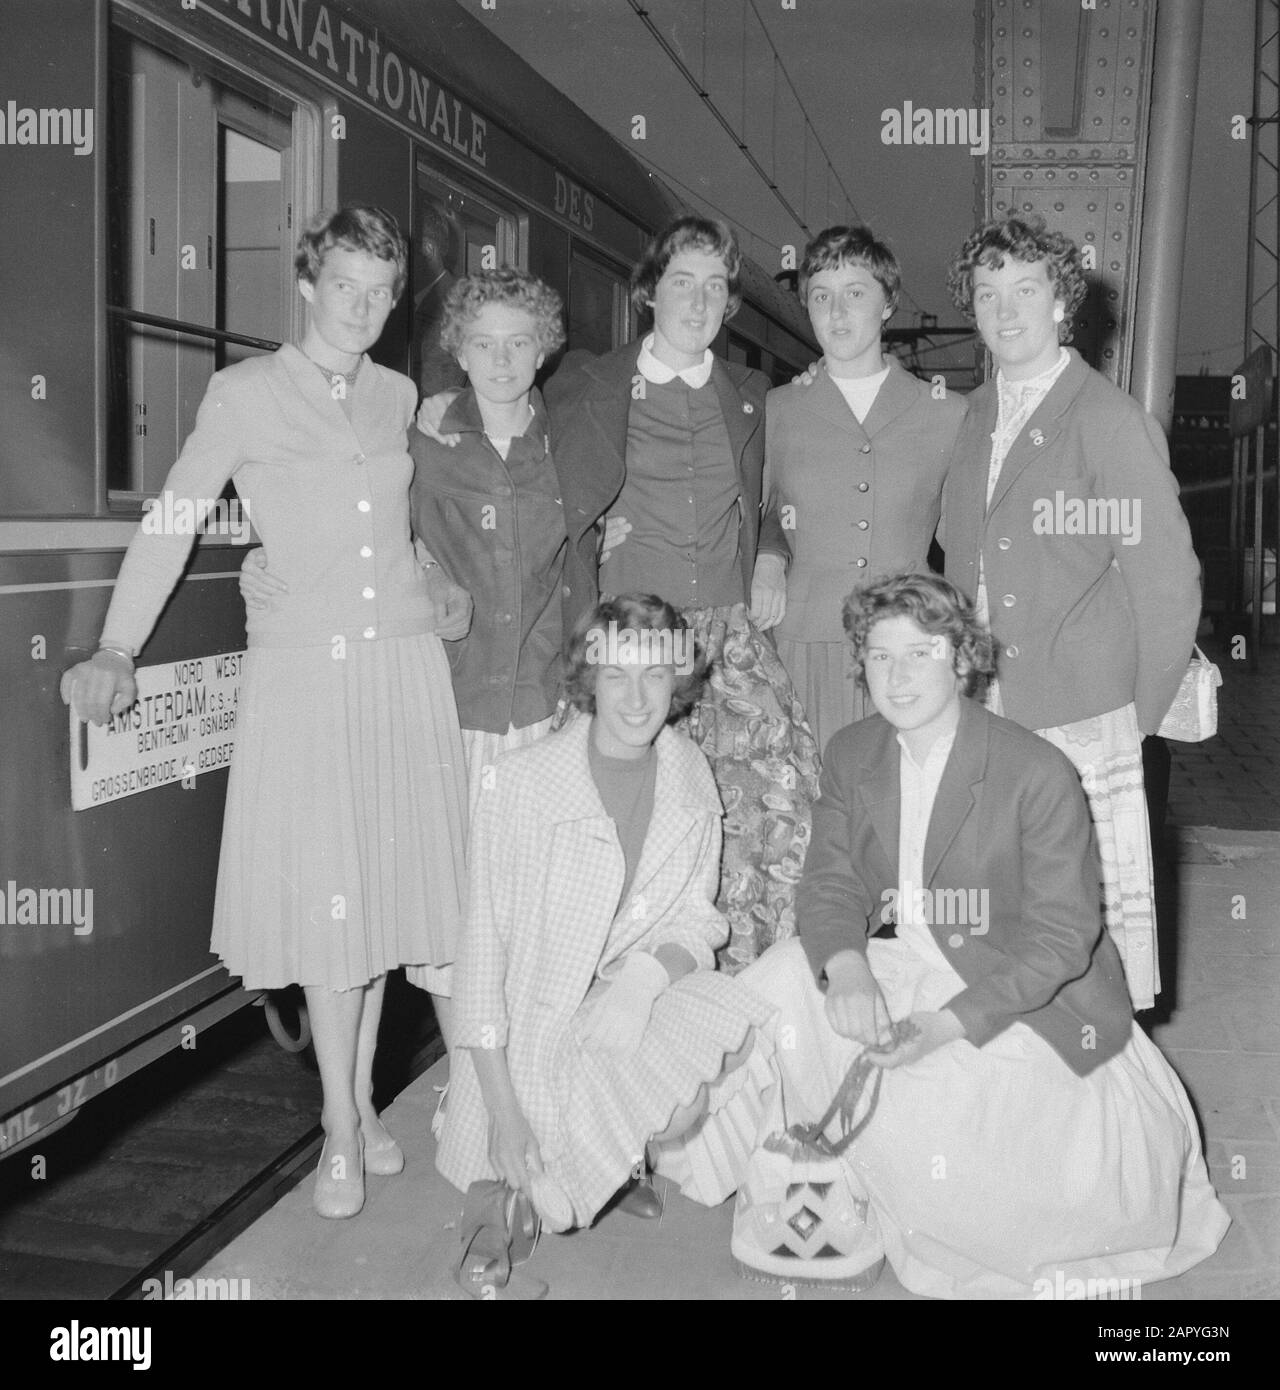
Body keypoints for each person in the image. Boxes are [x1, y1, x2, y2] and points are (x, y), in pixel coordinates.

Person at [62, 206, 470, 1220]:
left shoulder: (397, 393)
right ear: (305, 286)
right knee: (334, 900)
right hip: (310, 676)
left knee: (377, 908)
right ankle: (336, 1122)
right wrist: (117, 644)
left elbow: (393, 522)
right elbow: (172, 519)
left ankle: (366, 1104)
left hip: (402, 666)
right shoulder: (241, 394)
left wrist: (436, 578)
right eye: (345, 287)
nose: (364, 309)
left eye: (381, 292)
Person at [659, 572, 1229, 1299]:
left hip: (1025, 999)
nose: (897, 677)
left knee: (962, 1152)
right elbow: (831, 881)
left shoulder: (1036, 770)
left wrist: (947, 1025)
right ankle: (795, 1171)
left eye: (920, 653)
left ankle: (887, 1179)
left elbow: (1061, 939)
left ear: (962, 659)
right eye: (878, 655)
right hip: (918, 961)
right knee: (775, 981)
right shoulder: (855, 751)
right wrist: (848, 966)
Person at [419, 215, 820, 971]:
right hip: (632, 636)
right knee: (628, 823)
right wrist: (436, 407)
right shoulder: (589, 383)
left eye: (714, 288)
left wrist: (771, 551)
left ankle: (740, 996)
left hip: (726, 635)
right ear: (649, 294)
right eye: (681, 284)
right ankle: (609, 992)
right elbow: (508, 425)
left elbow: (777, 498)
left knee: (779, 812)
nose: (698, 303)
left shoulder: (751, 393)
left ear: (729, 302)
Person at [436, 595, 771, 1292]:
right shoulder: (522, 783)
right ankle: (498, 1202)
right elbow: (480, 959)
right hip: (529, 1009)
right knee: (511, 1146)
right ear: (589, 679)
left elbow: (700, 922)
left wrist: (642, 984)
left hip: (613, 997)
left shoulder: (689, 775)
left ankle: (607, 1160)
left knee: (717, 1045)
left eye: (654, 675)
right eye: (616, 675)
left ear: (679, 681)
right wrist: (502, 1112)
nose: (637, 697)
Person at [940, 215, 1201, 1012]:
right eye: (987, 294)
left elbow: (1167, 580)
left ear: (1063, 302)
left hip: (1081, 713)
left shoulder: (1107, 419)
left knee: (1089, 941)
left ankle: (1106, 1098)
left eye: (1025, 290)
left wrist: (1136, 718)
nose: (1005, 310)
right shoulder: (976, 412)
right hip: (990, 708)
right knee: (1008, 927)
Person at [245, 267, 570, 812]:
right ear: (460, 354)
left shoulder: (570, 445)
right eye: (482, 343)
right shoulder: (417, 444)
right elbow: (353, 526)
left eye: (520, 343)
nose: (501, 359)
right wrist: (269, 555)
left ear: (543, 352)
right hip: (444, 695)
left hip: (542, 700)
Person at [764, 225, 966, 750]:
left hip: (910, 647)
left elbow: (970, 541)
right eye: (821, 297)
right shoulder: (778, 409)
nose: (836, 313)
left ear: (887, 304)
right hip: (804, 646)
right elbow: (758, 515)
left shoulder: (945, 412)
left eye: (855, 293)